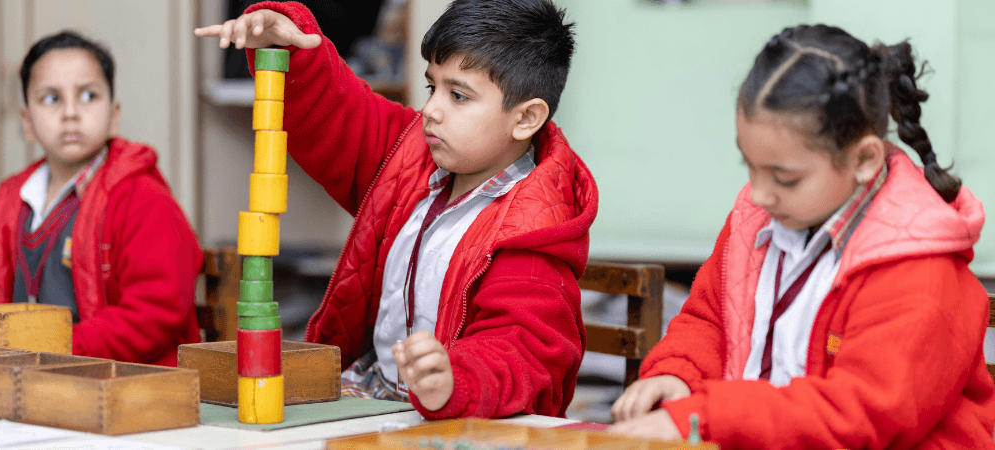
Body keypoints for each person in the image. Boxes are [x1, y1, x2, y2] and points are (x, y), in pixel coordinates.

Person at [195, 0, 596, 419]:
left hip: (446, 417)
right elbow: (340, 112)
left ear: (526, 118)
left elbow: (521, 349)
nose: (432, 110)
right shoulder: (409, 153)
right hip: (368, 395)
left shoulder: (533, 227)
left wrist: (454, 380)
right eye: (432, 87)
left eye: (459, 95)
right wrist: (288, 45)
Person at [609, 24, 995, 448]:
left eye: (785, 178)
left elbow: (856, 414)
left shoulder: (917, 267)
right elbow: (711, 320)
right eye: (750, 166)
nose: (759, 193)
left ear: (864, 160)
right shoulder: (757, 219)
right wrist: (678, 373)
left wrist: (710, 416)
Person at [0, 31, 203, 367]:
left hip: (127, 382)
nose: (71, 112)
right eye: (51, 98)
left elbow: (155, 311)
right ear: (27, 123)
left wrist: (57, 350)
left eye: (88, 96)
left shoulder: (141, 196)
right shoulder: (6, 206)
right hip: (28, 380)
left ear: (113, 115)